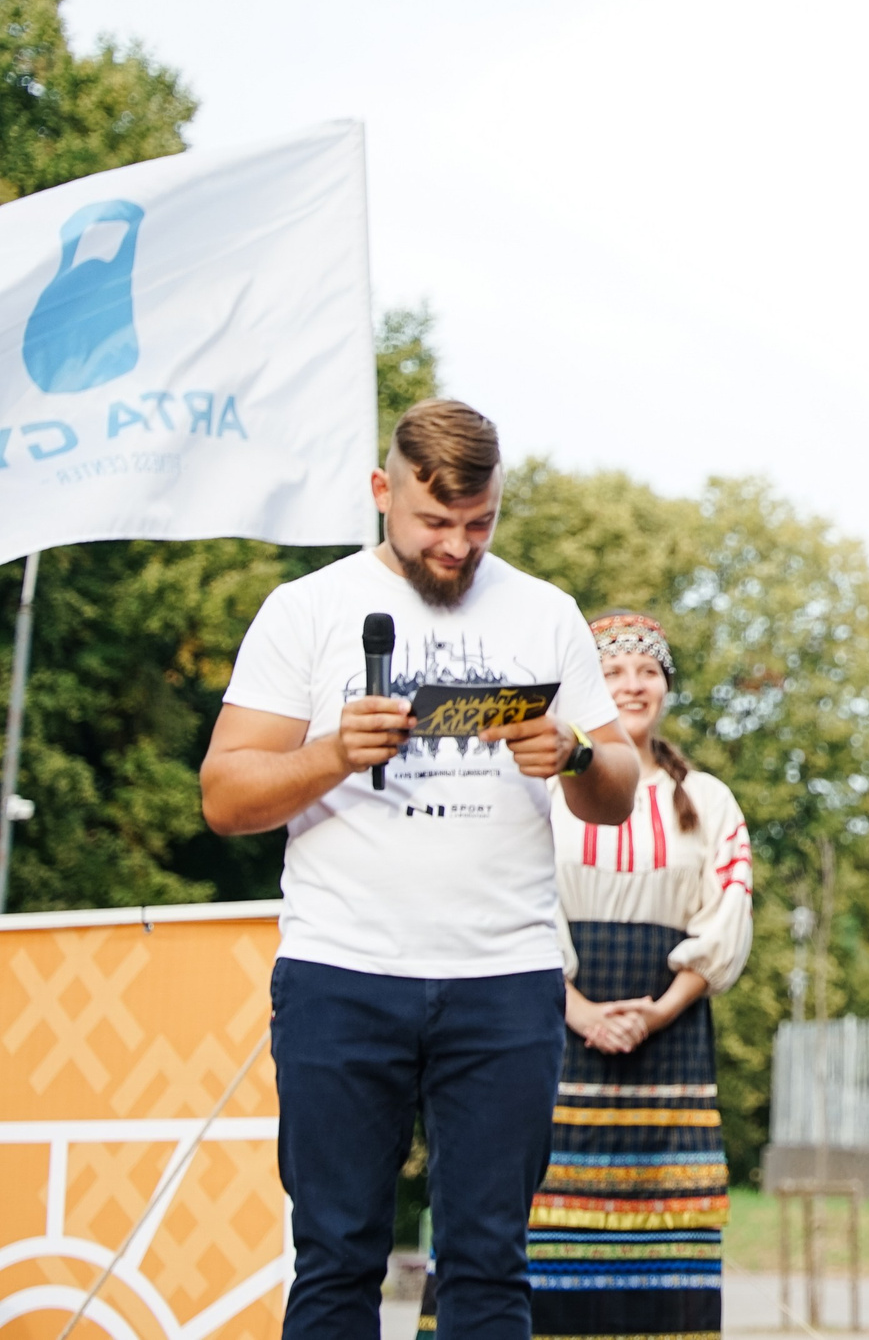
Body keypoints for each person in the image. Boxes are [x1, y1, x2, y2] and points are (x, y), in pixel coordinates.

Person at [201, 399, 642, 1340]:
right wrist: (330, 753)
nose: (456, 545)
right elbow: (224, 796)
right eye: (435, 521)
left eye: (479, 523)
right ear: (381, 491)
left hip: (505, 978)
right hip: (342, 972)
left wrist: (573, 753)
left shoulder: (545, 611)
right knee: (336, 1256)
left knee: (490, 1263)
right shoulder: (307, 608)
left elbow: (617, 790)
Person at [415, 610, 754, 1340]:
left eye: (647, 671)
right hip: (544, 1018)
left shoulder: (710, 800)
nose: (632, 686)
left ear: (666, 687)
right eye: (614, 672)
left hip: (669, 1043)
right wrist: (579, 1011)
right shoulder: (537, 785)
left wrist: (657, 1010)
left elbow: (726, 912)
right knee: (522, 1211)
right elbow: (505, 895)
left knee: (662, 1240)